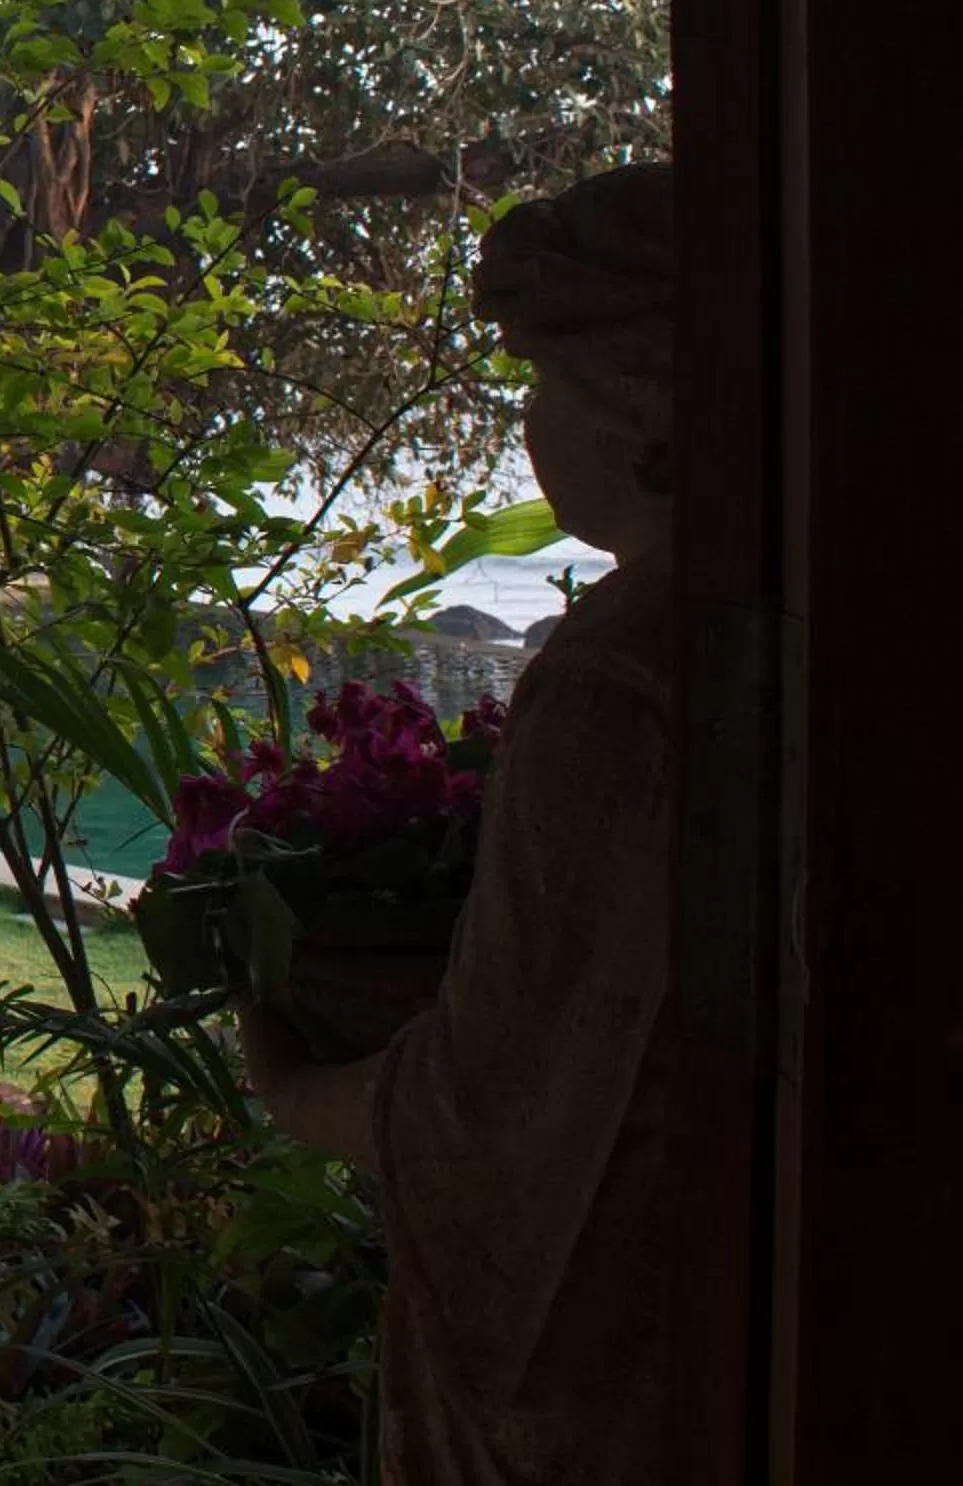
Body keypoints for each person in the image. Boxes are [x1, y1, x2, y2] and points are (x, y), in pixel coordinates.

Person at [246, 164, 679, 1485]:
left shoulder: (624, 690)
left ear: (648, 410)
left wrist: (290, 1085)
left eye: (544, 384)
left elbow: (491, 1107)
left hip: (600, 1368)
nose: (533, 425)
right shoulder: (702, 640)